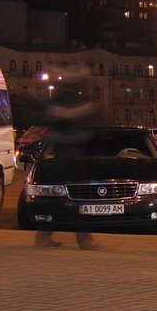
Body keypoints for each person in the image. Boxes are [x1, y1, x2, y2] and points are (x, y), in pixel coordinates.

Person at [33, 75, 102, 250]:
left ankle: (46, 235)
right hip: (69, 157)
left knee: (63, 199)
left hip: (66, 157)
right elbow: (72, 120)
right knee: (74, 199)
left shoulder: (60, 101)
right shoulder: (70, 101)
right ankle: (83, 239)